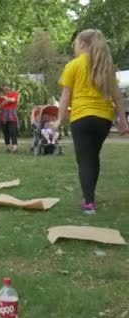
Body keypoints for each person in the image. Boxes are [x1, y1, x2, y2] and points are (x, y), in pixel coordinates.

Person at [55, 29, 129, 214]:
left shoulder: (73, 65)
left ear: (83, 45)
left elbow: (65, 97)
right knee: (92, 157)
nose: (75, 49)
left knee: (85, 160)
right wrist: (123, 122)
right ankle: (89, 199)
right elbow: (118, 98)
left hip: (81, 118)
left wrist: (58, 120)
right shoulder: (106, 66)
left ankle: (89, 203)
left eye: (76, 45)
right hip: (103, 119)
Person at [0, 82, 20, 153]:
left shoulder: (14, 94)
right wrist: (3, 103)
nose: (6, 88)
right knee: (5, 132)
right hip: (4, 116)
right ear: (2, 88)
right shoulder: (0, 96)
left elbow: (13, 100)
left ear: (9, 87)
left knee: (12, 131)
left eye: (7, 87)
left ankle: (15, 148)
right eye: (4, 87)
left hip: (12, 115)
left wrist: (6, 98)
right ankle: (7, 147)